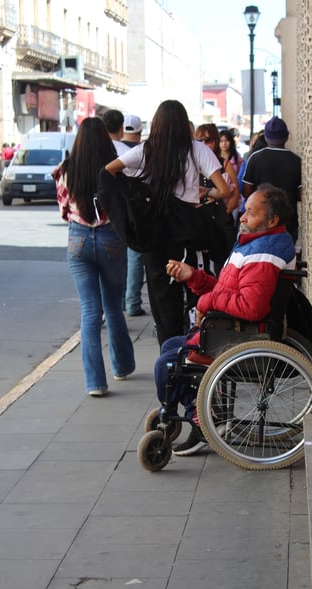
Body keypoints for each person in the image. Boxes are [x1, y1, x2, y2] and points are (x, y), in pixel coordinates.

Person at [154, 183, 296, 455]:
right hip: (230, 329)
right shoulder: (256, 244)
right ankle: (198, 409)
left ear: (272, 220)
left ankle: (199, 419)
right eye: (244, 211)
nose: (242, 217)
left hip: (242, 335)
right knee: (170, 345)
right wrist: (193, 277)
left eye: (250, 213)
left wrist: (206, 302)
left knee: (166, 364)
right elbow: (226, 290)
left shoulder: (264, 255)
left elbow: (250, 307)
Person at [105, 99, 231, 346]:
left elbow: (109, 170)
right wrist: (206, 195)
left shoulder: (146, 150)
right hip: (190, 234)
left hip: (157, 235)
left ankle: (170, 359)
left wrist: (134, 195)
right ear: (184, 124)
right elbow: (225, 190)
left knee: (164, 303)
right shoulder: (197, 150)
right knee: (198, 295)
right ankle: (198, 353)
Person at [53, 117, 135, 397]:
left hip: (78, 239)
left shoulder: (66, 169)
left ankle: (95, 384)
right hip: (110, 237)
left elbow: (64, 209)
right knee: (113, 306)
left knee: (90, 311)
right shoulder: (113, 169)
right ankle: (122, 367)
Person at [242, 116, 302, 243]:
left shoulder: (255, 158)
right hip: (288, 222)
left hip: (260, 221)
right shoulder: (296, 160)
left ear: (265, 137)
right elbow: (300, 195)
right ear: (286, 137)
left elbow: (246, 192)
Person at [195, 123, 238, 270]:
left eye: (207, 140)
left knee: (224, 265)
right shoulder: (192, 164)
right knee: (201, 267)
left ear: (215, 141)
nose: (203, 144)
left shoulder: (224, 164)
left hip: (221, 219)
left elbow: (236, 194)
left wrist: (225, 212)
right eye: (199, 140)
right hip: (199, 220)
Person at [121, 114, 146, 316]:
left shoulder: (113, 150)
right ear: (139, 133)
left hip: (114, 210)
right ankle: (132, 303)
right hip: (136, 210)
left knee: (117, 258)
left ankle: (121, 301)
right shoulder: (142, 152)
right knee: (135, 256)